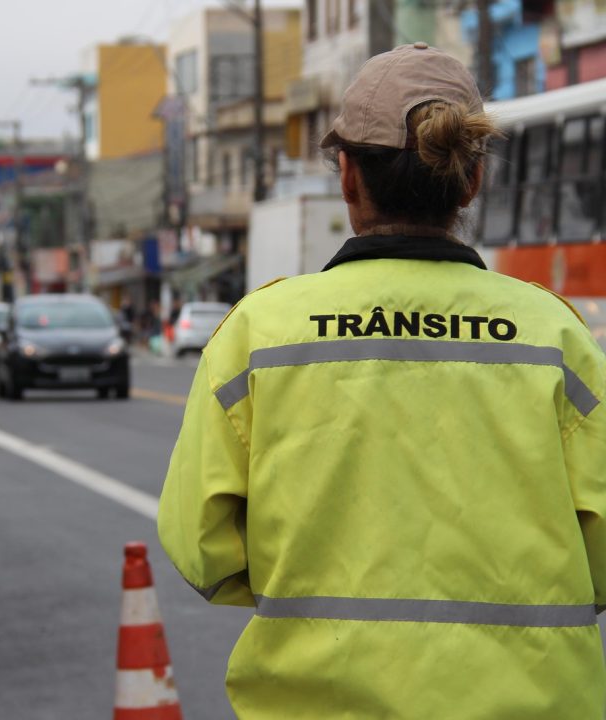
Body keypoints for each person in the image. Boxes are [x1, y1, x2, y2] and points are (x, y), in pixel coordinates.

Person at [158, 43, 606, 719]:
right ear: (472, 182)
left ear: (346, 177)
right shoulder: (557, 337)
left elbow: (202, 548)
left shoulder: (259, 334)